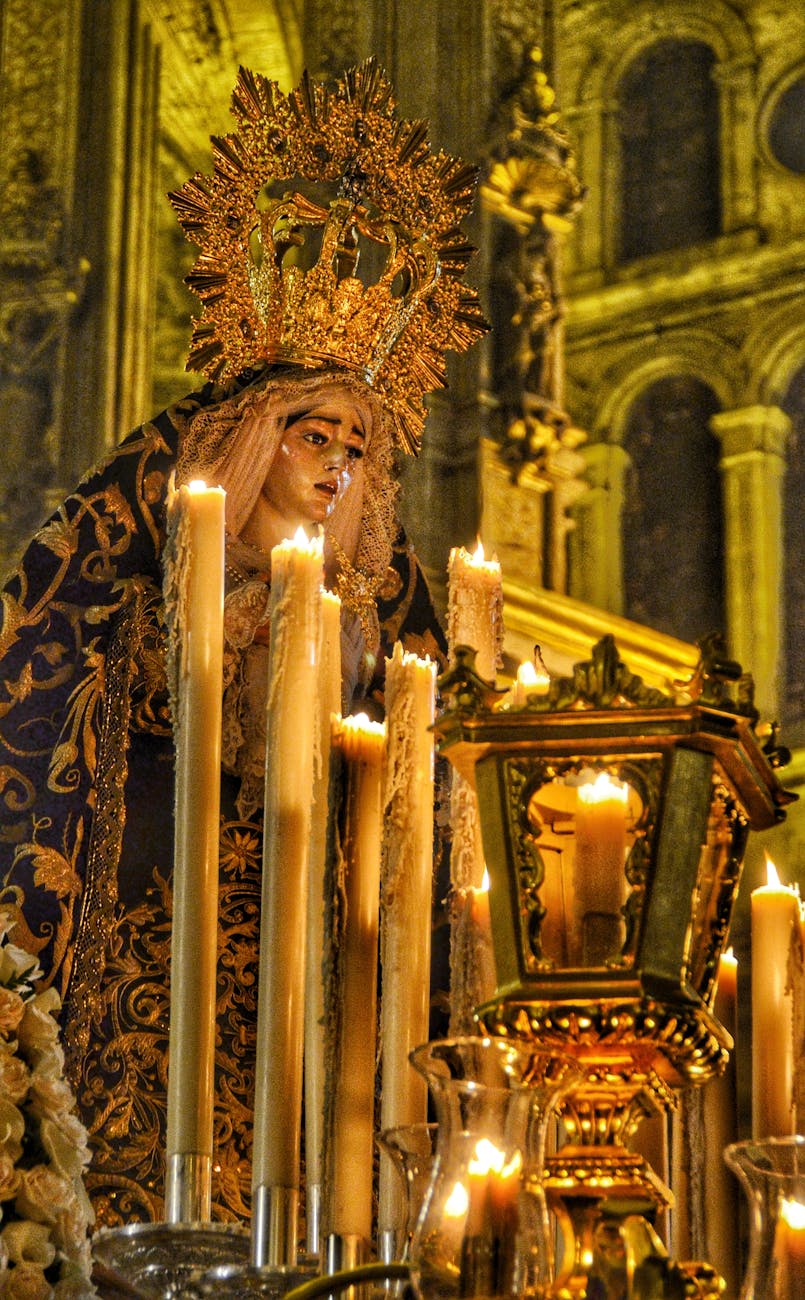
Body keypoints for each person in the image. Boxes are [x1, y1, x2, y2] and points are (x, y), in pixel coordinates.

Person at [0, 58, 486, 1227]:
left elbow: (430, 801)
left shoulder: (383, 618)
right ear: (247, 437)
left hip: (316, 973)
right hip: (142, 954)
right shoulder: (132, 579)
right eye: (312, 433)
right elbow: (35, 708)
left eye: (358, 447)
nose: (336, 465)